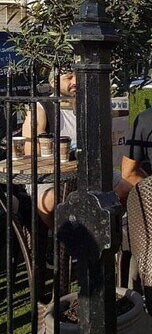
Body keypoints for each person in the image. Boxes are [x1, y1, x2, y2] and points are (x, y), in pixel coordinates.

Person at [21, 69, 131, 229]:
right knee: (50, 202)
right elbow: (31, 152)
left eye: (77, 76)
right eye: (69, 77)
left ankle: (100, 231)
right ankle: (61, 238)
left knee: (126, 189)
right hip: (50, 175)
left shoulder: (89, 104)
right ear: (53, 82)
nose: (75, 82)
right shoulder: (41, 108)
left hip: (89, 170)